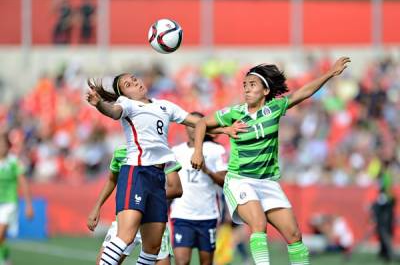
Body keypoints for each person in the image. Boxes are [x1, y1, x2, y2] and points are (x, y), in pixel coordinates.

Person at [191, 57, 351, 265]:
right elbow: (201, 123)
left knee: (294, 235)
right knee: (258, 224)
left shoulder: (274, 109)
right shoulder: (235, 113)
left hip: (267, 182)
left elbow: (303, 93)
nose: (246, 89)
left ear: (265, 91)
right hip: (240, 179)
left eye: (252, 85)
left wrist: (330, 73)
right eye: (245, 85)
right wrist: (202, 148)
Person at [86, 74, 243, 265]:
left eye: (135, 79)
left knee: (152, 248)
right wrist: (99, 104)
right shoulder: (127, 104)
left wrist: (224, 130)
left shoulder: (165, 106)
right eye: (128, 84)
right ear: (124, 94)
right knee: (125, 236)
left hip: (158, 178)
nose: (135, 83)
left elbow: (197, 122)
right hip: (137, 172)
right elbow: (113, 112)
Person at [87, 145, 183, 265]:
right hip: (127, 220)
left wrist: (148, 199)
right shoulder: (121, 152)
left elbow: (176, 189)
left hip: (153, 220)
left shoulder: (163, 152)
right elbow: (112, 180)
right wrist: (97, 207)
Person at [170, 112, 227, 265]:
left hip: (207, 216)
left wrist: (207, 170)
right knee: (182, 262)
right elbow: (170, 183)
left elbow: (225, 181)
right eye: (191, 124)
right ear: (185, 127)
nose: (194, 128)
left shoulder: (216, 150)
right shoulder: (176, 151)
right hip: (181, 215)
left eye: (198, 125)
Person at [0, 133, 34, 264]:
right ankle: (6, 258)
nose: (1, 147)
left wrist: (29, 205)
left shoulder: (13, 162)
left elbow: (23, 183)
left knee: (0, 234)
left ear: (8, 146)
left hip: (9, 203)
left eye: (3, 144)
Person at [371, 159, 396, 263]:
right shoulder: (386, 175)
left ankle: (387, 252)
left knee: (384, 230)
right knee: (384, 229)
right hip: (386, 204)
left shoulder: (384, 176)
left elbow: (385, 190)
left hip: (386, 205)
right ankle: (384, 251)